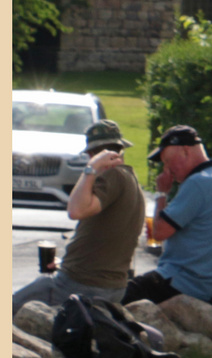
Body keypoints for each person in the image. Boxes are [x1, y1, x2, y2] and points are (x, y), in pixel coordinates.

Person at [14, 121, 142, 311]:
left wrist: (90, 169)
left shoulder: (113, 176)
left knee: (13, 305)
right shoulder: (130, 179)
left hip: (82, 284)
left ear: (93, 155)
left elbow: (75, 211)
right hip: (110, 284)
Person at [122, 126, 212, 305]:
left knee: (114, 300)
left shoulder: (198, 183)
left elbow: (159, 233)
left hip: (184, 283)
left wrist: (161, 193)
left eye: (168, 161)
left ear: (185, 151)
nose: (167, 169)